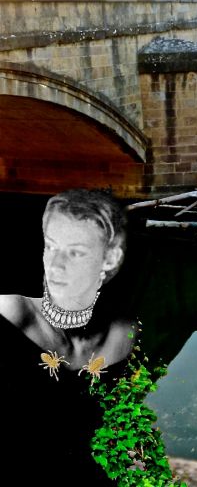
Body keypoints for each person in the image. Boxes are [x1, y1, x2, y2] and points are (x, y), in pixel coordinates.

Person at [0, 189, 133, 481]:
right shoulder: (11, 311)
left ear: (110, 259)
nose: (55, 265)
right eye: (51, 246)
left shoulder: (126, 338)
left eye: (75, 252)